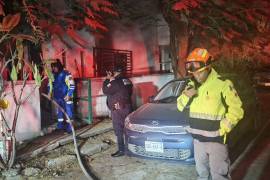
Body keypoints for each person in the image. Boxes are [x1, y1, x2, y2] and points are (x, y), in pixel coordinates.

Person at [177, 48, 244, 180]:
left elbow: (237, 110)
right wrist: (186, 96)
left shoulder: (223, 84)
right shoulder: (191, 85)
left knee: (219, 175)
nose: (196, 75)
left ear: (208, 67)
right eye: (193, 72)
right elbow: (179, 106)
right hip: (198, 142)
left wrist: (223, 128)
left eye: (199, 72)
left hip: (216, 142)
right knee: (202, 174)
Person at [102, 66, 133, 157]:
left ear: (115, 73)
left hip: (118, 109)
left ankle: (121, 150)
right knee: (127, 128)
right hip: (127, 107)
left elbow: (105, 90)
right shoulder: (127, 80)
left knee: (119, 129)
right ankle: (129, 148)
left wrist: (107, 80)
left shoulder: (116, 82)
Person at [48, 59, 75, 134]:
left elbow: (72, 85)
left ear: (59, 66)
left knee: (69, 112)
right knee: (59, 113)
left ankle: (70, 129)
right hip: (58, 98)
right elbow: (49, 85)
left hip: (67, 97)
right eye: (52, 67)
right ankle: (60, 127)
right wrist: (49, 93)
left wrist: (69, 95)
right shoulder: (52, 75)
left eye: (54, 67)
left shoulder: (66, 73)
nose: (53, 69)